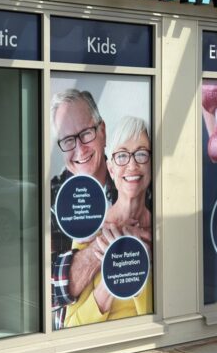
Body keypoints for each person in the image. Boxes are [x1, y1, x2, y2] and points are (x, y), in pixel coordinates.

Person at [64, 116, 152, 327]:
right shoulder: (91, 230)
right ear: (111, 169)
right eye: (122, 156)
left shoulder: (160, 230)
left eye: (141, 154)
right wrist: (112, 279)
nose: (132, 165)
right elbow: (71, 326)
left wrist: (136, 270)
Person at [49, 89, 109, 329]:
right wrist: (108, 245)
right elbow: (47, 290)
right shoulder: (50, 200)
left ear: (102, 131)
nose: (80, 149)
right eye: (68, 140)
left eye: (85, 134)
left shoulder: (134, 179)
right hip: (76, 336)